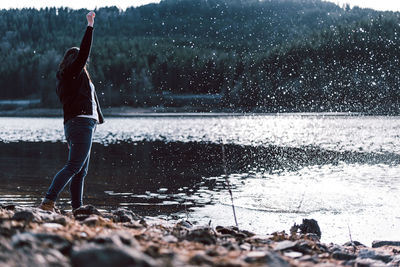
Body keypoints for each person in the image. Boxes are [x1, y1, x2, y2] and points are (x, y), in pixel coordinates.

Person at [38, 11, 104, 212]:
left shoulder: (74, 79)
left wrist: (94, 124)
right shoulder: (72, 73)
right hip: (81, 124)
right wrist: (90, 25)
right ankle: (48, 201)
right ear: (73, 60)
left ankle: (78, 210)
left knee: (80, 171)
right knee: (74, 166)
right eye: (80, 59)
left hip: (82, 125)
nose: (84, 62)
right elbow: (84, 52)